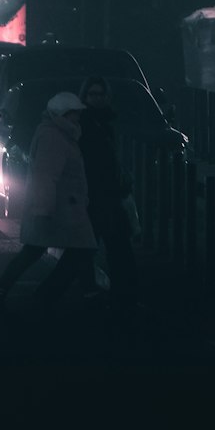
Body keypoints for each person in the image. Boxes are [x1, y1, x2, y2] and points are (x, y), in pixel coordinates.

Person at [0, 91, 96, 315]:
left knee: (37, 252)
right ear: (65, 114)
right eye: (75, 114)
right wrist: (44, 209)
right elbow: (46, 176)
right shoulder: (55, 138)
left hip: (63, 207)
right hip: (61, 209)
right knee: (80, 251)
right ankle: (50, 296)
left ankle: (5, 293)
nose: (78, 118)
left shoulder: (58, 134)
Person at [77, 75, 140, 327]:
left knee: (115, 248)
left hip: (109, 195)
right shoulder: (86, 124)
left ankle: (120, 296)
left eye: (101, 94)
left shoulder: (105, 123)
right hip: (95, 196)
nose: (97, 99)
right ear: (85, 97)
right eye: (92, 94)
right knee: (92, 249)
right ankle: (110, 296)